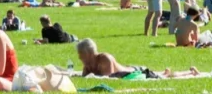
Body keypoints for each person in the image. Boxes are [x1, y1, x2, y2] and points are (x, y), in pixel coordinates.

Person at [76, 38, 204, 80]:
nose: (79, 57)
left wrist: (89, 72)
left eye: (81, 54)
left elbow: (108, 79)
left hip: (136, 72)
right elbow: (86, 78)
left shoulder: (105, 59)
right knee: (162, 74)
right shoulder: (89, 63)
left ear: (88, 53)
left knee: (166, 77)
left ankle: (190, 72)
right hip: (130, 71)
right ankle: (164, 71)